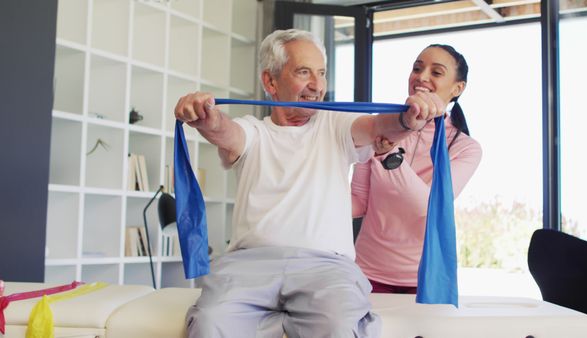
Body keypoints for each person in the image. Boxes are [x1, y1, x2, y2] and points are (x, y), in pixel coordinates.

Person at [174, 29, 444, 338]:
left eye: (322, 73)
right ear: (270, 81)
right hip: (249, 266)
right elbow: (226, 132)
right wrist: (205, 117)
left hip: (326, 269)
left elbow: (378, 125)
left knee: (340, 327)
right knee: (210, 322)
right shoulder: (254, 132)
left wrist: (409, 119)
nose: (317, 86)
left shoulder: (336, 124)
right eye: (304, 72)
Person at [351, 44, 482, 294]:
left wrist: (387, 153)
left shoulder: (466, 149)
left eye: (436, 72)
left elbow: (428, 206)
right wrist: (304, 199)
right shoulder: (381, 125)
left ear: (457, 88)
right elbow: (359, 201)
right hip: (365, 274)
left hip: (424, 279)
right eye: (417, 68)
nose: (421, 77)